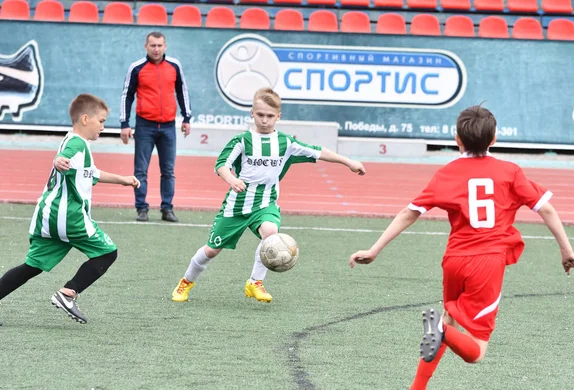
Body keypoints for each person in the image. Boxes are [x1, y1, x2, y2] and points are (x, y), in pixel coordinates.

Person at [349, 105, 574, 390]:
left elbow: (410, 212)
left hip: (454, 261)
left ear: (457, 139)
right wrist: (566, 250)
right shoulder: (509, 172)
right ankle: (440, 338)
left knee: (448, 319)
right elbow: (545, 208)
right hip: (486, 264)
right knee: (476, 351)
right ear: (494, 138)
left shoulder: (447, 173)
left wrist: (374, 249)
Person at [171, 87, 366, 303]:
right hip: (236, 206)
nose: (265, 120)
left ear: (278, 117)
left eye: (270, 116)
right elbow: (221, 165)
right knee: (212, 250)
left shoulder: (286, 143)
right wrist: (232, 180)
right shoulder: (242, 141)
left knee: (271, 234)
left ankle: (255, 282)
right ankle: (185, 283)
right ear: (252, 114)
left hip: (266, 204)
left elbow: (319, 151)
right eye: (261, 115)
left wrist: (349, 162)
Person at [0, 94, 140, 325]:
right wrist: (58, 160)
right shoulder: (77, 144)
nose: (104, 127)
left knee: (32, 267)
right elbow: (62, 158)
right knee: (107, 253)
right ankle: (68, 293)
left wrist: (123, 180)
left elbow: (91, 172)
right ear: (85, 119)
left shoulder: (73, 141)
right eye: (102, 121)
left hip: (48, 215)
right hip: (68, 216)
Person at [120, 31, 192, 223]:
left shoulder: (174, 66)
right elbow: (127, 95)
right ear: (146, 46)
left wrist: (186, 118)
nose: (156, 49)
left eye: (160, 45)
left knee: (168, 170)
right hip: (144, 126)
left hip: (168, 126)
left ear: (165, 46)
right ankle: (141, 208)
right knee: (140, 170)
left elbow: (182, 92)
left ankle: (167, 208)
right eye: (152, 45)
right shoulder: (137, 68)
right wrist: (124, 123)